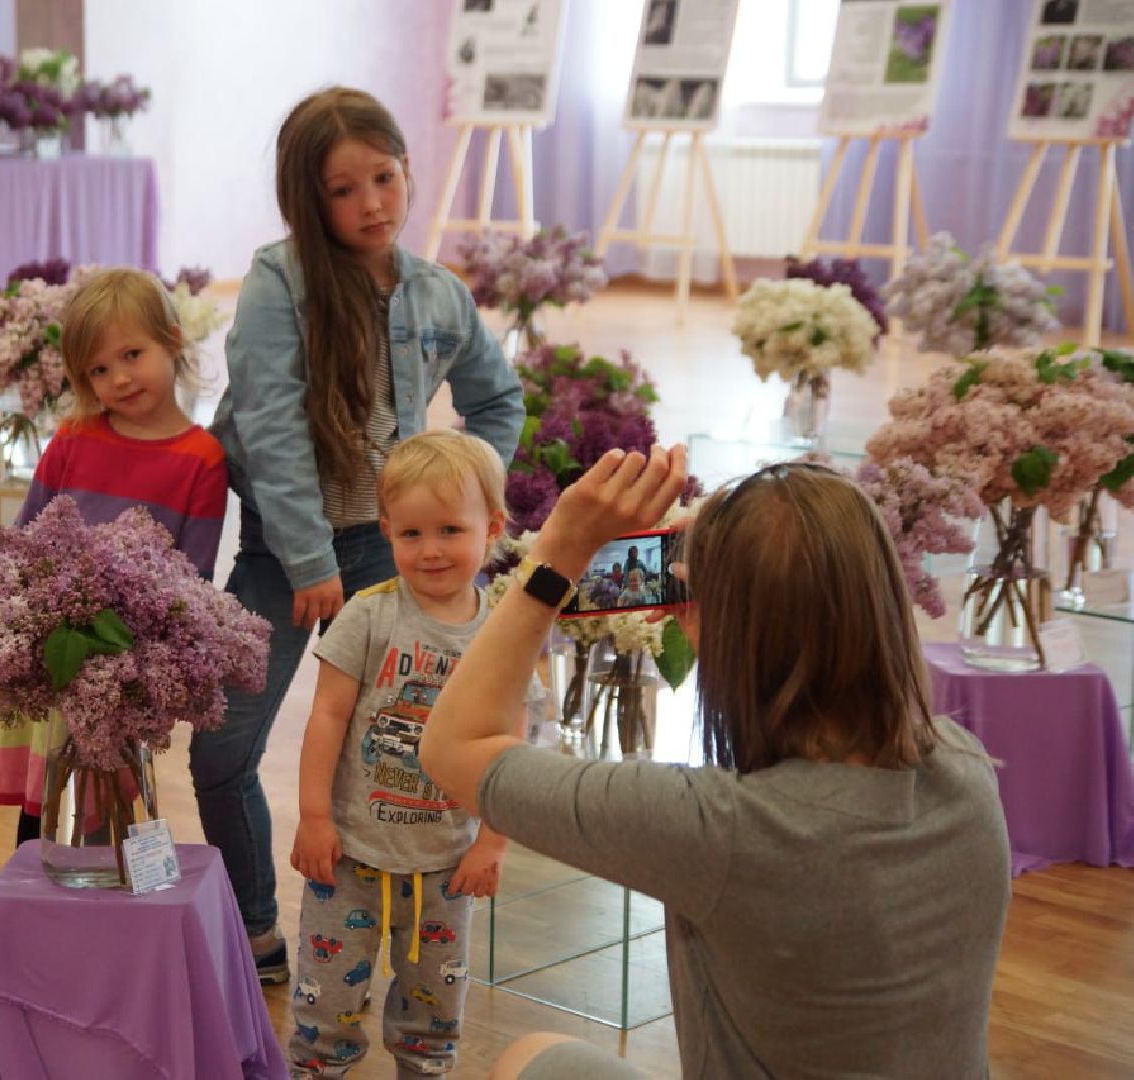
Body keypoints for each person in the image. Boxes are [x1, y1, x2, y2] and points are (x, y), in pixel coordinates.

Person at [420, 449, 1011, 1079]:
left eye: (688, 591)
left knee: (526, 1061)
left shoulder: (725, 829)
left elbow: (452, 748)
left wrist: (559, 554)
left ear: (725, 627)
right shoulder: (965, 766)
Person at [203, 86, 525, 983]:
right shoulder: (281, 281)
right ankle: (254, 932)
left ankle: (378, 920)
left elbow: (498, 399)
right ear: (309, 200)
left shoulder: (435, 292)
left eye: (382, 179)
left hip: (390, 555)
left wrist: (456, 488)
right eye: (343, 191)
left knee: (392, 744)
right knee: (223, 745)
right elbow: (266, 422)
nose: (370, 205)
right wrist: (307, 559)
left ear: (406, 171)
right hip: (285, 552)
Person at [286, 429, 520, 1078]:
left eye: (449, 529)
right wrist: (313, 818)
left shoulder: (502, 632)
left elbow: (509, 747)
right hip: (350, 859)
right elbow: (326, 717)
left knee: (432, 1020)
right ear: (386, 529)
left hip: (446, 866)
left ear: (492, 526)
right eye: (410, 534)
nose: (430, 550)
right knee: (324, 1011)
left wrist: (492, 843)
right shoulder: (368, 615)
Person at [0, 268, 228, 846]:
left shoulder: (201, 460)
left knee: (109, 816)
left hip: (126, 668)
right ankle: (39, 924)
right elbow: (25, 540)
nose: (118, 378)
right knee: (43, 814)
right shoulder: (72, 438)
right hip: (50, 655)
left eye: (132, 354)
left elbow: (192, 586)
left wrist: (147, 685)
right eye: (98, 369)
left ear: (172, 339)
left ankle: (103, 925)